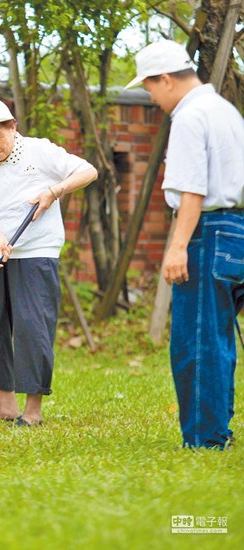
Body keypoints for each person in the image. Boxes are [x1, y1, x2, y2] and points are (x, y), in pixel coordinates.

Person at [125, 40, 244, 450]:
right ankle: (216, 430)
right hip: (237, 228)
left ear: (166, 79)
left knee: (196, 340)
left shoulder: (190, 116)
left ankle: (205, 439)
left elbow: (192, 190)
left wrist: (178, 247)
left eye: (150, 88)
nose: (152, 97)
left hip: (206, 230)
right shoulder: (226, 111)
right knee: (219, 336)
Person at [0, 98, 98, 427]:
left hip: (38, 250)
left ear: (13, 128)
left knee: (31, 327)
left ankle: (33, 411)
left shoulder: (39, 151)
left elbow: (88, 171)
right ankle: (6, 407)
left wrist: (55, 190)